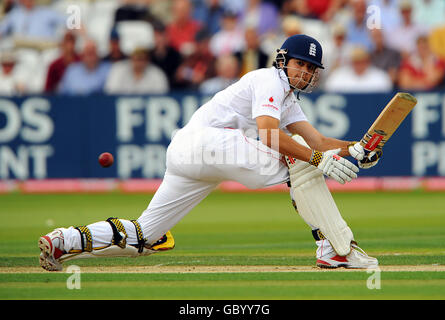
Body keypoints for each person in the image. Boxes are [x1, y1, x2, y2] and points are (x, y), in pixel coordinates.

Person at [38, 34, 379, 272]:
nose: (304, 72)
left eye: (310, 68)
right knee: (300, 161)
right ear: (284, 61)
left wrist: (355, 149)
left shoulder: (287, 99)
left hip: (186, 154)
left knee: (144, 237)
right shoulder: (269, 80)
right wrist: (318, 161)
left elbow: (317, 141)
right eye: (299, 64)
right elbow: (270, 135)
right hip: (212, 143)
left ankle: (63, 240)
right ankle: (334, 248)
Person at [324, 46, 393, 92]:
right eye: (356, 62)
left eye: (362, 61)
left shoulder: (380, 77)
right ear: (351, 62)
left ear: (368, 61)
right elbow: (329, 91)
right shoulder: (338, 76)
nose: (359, 65)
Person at [104, 47, 169, 94]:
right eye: (136, 58)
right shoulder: (118, 70)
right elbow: (111, 93)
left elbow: (162, 95)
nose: (139, 62)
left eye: (142, 59)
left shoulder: (157, 73)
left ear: (148, 60)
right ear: (130, 58)